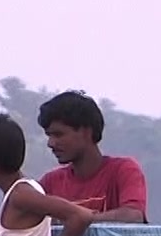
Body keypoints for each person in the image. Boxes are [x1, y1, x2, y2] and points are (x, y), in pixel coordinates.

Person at [38, 90, 149, 222]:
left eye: (58, 135)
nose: (51, 143)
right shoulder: (50, 182)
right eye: (49, 135)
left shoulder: (123, 170)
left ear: (86, 132)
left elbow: (133, 216)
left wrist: (75, 220)